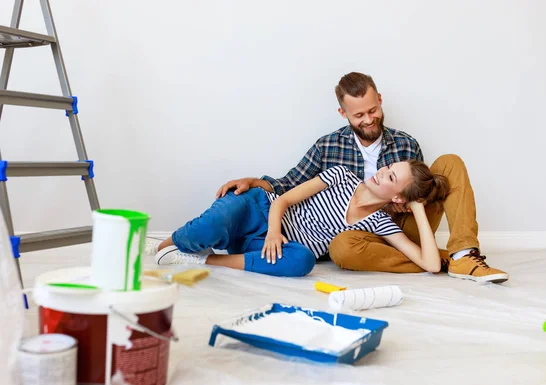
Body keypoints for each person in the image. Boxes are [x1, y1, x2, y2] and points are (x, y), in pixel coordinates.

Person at [215, 72, 509, 284]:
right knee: (340, 249)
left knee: (449, 163)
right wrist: (254, 181)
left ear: (380, 100)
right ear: (343, 113)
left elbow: (419, 186)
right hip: (365, 239)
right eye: (359, 116)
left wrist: (416, 204)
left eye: (373, 110)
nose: (368, 120)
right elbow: (289, 184)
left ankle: (465, 254)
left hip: (402, 224)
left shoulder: (406, 144)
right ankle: (443, 260)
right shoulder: (327, 146)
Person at [145, 161, 448, 277]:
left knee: (302, 262)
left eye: (391, 176)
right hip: (261, 209)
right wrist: (275, 231)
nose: (382, 170)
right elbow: (285, 199)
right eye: (389, 166)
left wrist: (418, 207)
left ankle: (200, 261)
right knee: (208, 226)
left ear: (398, 198)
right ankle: (162, 246)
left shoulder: (379, 224)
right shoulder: (340, 175)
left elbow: (431, 264)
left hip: (270, 246)